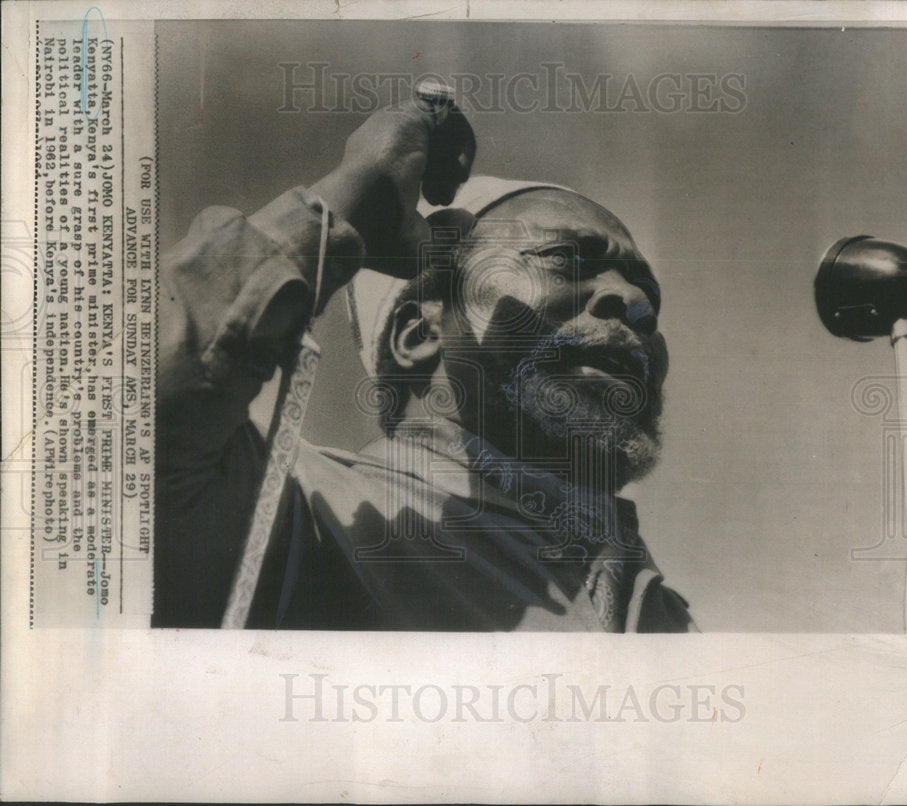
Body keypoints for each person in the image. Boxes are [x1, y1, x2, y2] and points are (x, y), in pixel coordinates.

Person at [154, 87, 693, 631]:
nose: (634, 303)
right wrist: (344, 204)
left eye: (649, 292)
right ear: (419, 332)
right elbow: (115, 419)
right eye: (563, 260)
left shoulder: (663, 614)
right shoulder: (311, 512)